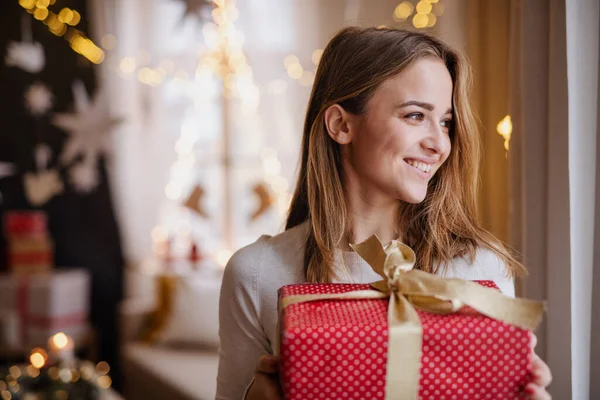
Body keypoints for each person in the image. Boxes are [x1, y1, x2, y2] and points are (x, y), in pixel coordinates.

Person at [216, 26, 552, 400]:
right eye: (414, 116)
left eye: (445, 122)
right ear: (341, 125)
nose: (439, 144)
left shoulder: (481, 269)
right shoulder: (257, 274)